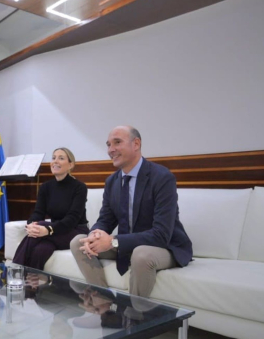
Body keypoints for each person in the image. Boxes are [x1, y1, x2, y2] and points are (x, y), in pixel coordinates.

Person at [70, 125, 192, 299]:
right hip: (128, 243)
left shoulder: (162, 177)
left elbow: (161, 235)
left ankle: (136, 312)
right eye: (108, 144)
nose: (111, 150)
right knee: (79, 243)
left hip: (165, 246)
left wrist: (113, 241)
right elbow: (105, 219)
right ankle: (102, 301)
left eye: (117, 142)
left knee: (141, 254)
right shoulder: (112, 181)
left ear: (136, 144)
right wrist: (95, 234)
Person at [13, 148, 89, 270]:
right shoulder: (45, 187)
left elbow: (72, 219)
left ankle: (14, 271)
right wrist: (32, 224)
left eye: (61, 158)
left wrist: (48, 229)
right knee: (42, 249)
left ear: (71, 165)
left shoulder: (79, 187)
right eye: (53, 158)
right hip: (55, 232)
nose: (55, 161)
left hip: (76, 231)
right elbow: (38, 212)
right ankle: (33, 280)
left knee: (41, 226)